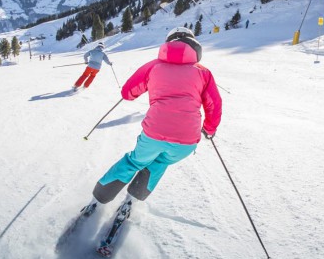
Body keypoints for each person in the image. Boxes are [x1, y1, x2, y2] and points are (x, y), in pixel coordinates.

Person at [77, 27, 222, 226]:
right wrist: (210, 129)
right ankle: (131, 201)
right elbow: (214, 104)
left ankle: (98, 200)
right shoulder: (203, 72)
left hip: (154, 134)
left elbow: (128, 93)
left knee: (133, 162)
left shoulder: (154, 66)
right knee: (159, 163)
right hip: (186, 142)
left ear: (167, 43)